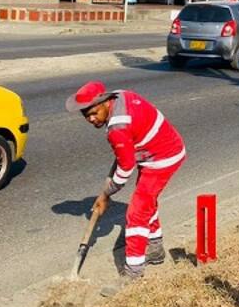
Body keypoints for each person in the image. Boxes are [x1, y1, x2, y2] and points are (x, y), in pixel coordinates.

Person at [67, 81, 186, 280]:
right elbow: (125, 152)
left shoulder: (117, 128)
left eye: (94, 113)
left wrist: (105, 195)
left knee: (137, 213)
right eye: (85, 115)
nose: (90, 119)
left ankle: (133, 274)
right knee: (147, 201)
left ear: (105, 102)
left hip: (162, 158)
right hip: (153, 149)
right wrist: (107, 190)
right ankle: (155, 249)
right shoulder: (120, 96)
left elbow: (125, 169)